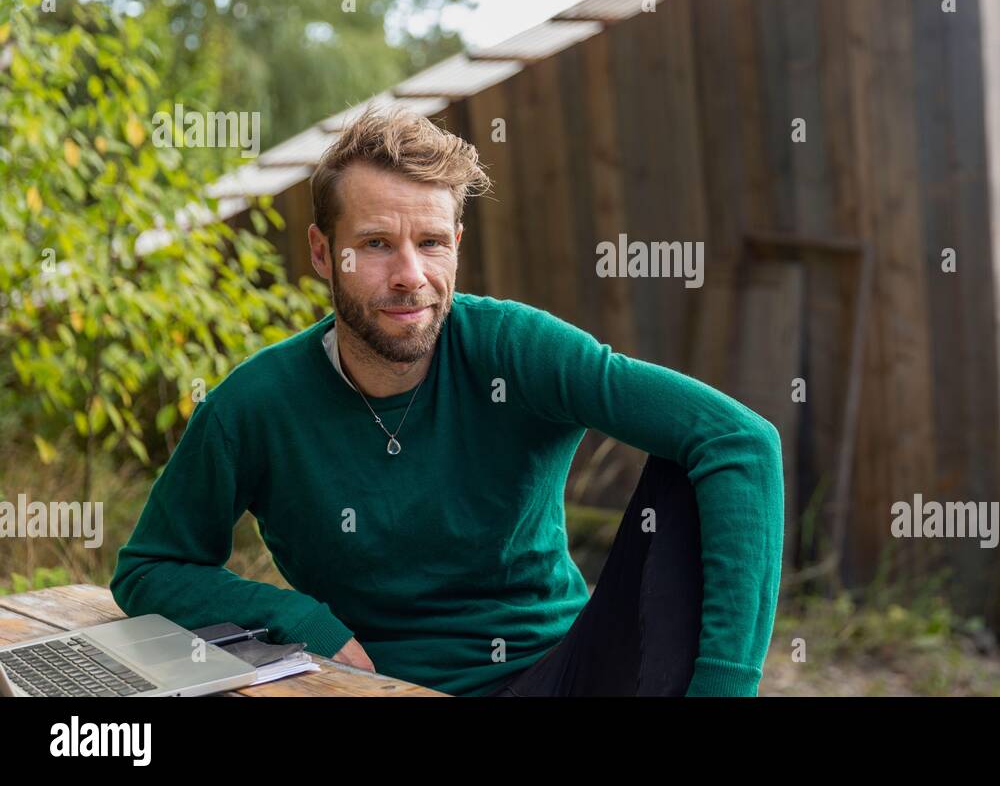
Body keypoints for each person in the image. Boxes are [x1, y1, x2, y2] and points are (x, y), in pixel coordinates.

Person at [110, 105, 784, 696]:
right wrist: (300, 617)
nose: (411, 276)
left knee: (693, 461)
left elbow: (741, 441)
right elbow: (150, 566)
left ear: (456, 245)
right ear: (323, 253)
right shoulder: (254, 407)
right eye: (376, 244)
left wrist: (725, 686)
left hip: (567, 671)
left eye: (430, 243)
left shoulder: (516, 349)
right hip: (376, 686)